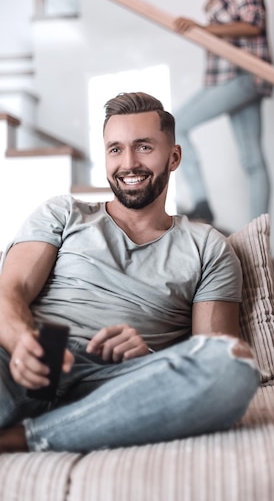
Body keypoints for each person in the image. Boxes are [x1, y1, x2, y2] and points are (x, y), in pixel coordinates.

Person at [0, 91, 259, 454]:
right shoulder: (63, 213)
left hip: (120, 383)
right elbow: (9, 291)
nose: (129, 163)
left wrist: (147, 357)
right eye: (115, 149)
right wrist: (22, 342)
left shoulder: (209, 246)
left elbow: (213, 348)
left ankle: (29, 437)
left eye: (144, 147)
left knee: (233, 364)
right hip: (28, 358)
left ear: (174, 157)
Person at [174, 0, 273, 225]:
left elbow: (253, 23)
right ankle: (258, 232)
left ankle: (202, 204)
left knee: (174, 125)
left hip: (239, 75)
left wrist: (204, 29)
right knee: (252, 161)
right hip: (236, 76)